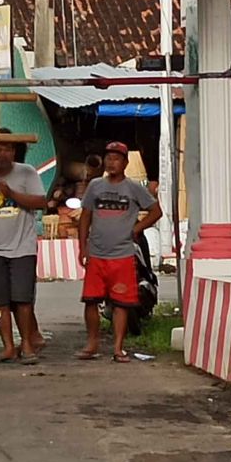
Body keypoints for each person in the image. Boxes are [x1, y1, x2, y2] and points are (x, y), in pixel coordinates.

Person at [75, 142, 162, 363]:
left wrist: (136, 229)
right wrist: (82, 247)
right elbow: (85, 217)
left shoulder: (133, 188)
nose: (111, 162)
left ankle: (118, 348)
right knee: (91, 300)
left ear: (125, 162)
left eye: (116, 158)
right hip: (96, 253)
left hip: (122, 254)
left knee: (122, 302)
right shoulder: (95, 186)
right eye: (108, 158)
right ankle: (92, 343)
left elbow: (155, 211)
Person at [0, 130, 48, 365]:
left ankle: (27, 344)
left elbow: (41, 202)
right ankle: (8, 347)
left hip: (23, 247)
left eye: (6, 148)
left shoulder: (27, 172)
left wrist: (11, 193)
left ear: (13, 151)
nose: (1, 152)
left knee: (23, 300)